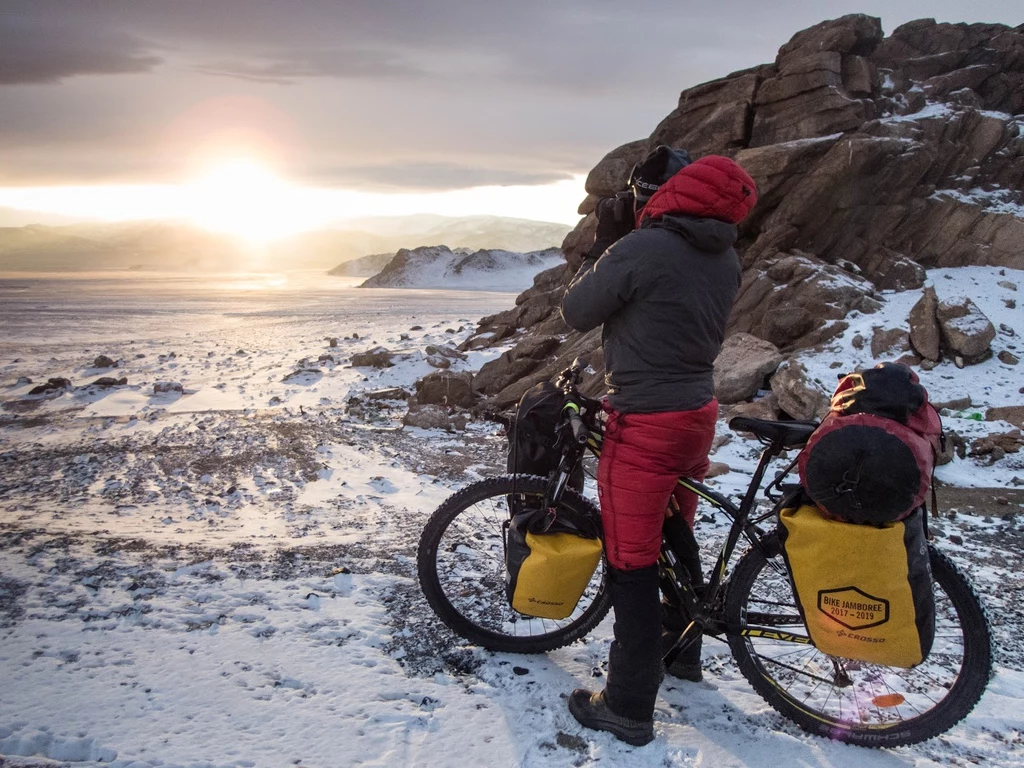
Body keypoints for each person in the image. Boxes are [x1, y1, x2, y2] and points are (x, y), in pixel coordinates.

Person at [560, 146, 758, 746]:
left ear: (658, 196)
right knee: (674, 530)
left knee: (632, 560)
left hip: (645, 419)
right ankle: (682, 653)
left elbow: (576, 309)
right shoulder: (725, 254)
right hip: (698, 412)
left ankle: (626, 705)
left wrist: (612, 242)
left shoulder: (643, 248)